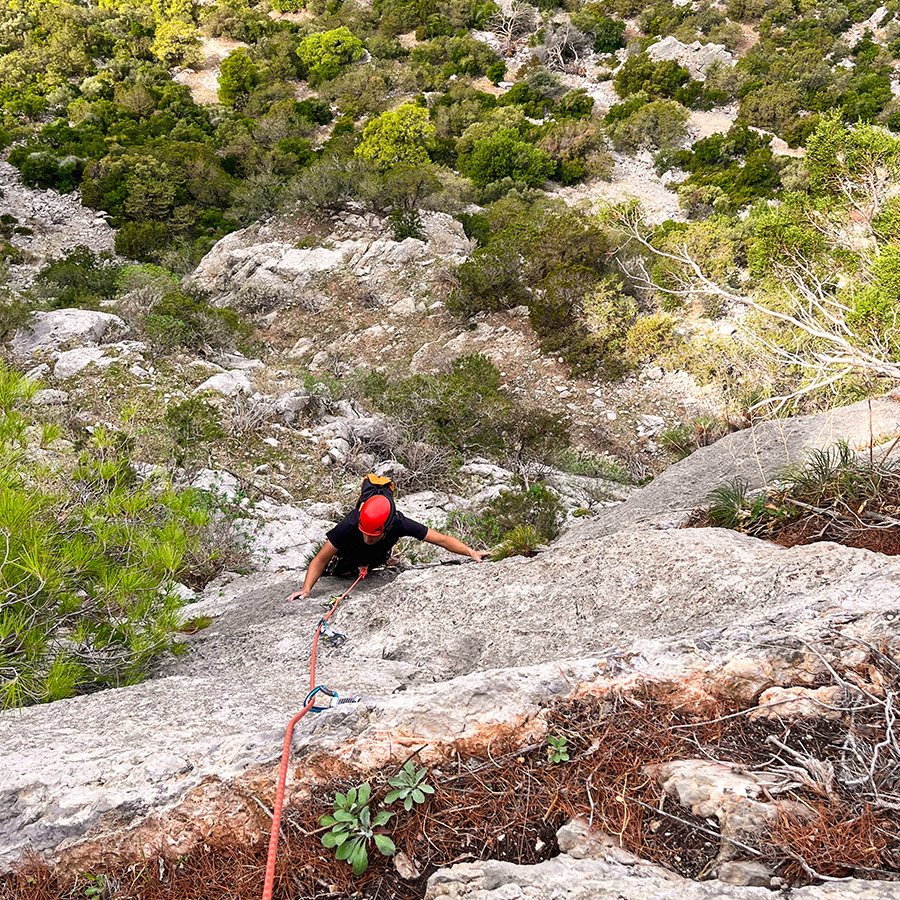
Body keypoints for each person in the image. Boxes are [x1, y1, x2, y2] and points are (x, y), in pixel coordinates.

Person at [286, 485, 489, 602]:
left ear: (387, 526)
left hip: (377, 556)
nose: (367, 538)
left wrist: (470, 552)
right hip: (347, 556)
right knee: (339, 570)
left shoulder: (399, 523)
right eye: (364, 533)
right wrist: (306, 590)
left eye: (372, 535)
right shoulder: (350, 523)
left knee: (375, 557)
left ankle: (382, 560)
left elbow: (441, 540)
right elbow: (320, 559)